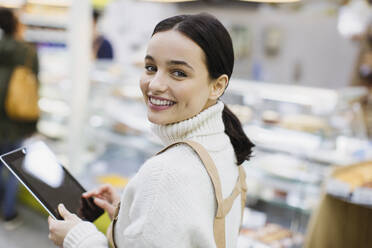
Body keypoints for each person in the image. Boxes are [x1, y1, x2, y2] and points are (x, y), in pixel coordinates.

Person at [48, 13, 254, 248]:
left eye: (178, 72)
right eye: (150, 67)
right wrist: (132, 213)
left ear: (217, 85)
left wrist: (77, 237)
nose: (155, 84)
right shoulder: (226, 143)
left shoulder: (165, 173)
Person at [0, 7, 39, 230]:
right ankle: (9, 214)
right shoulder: (27, 52)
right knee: (15, 168)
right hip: (17, 120)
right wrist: (33, 125)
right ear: (15, 25)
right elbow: (34, 90)